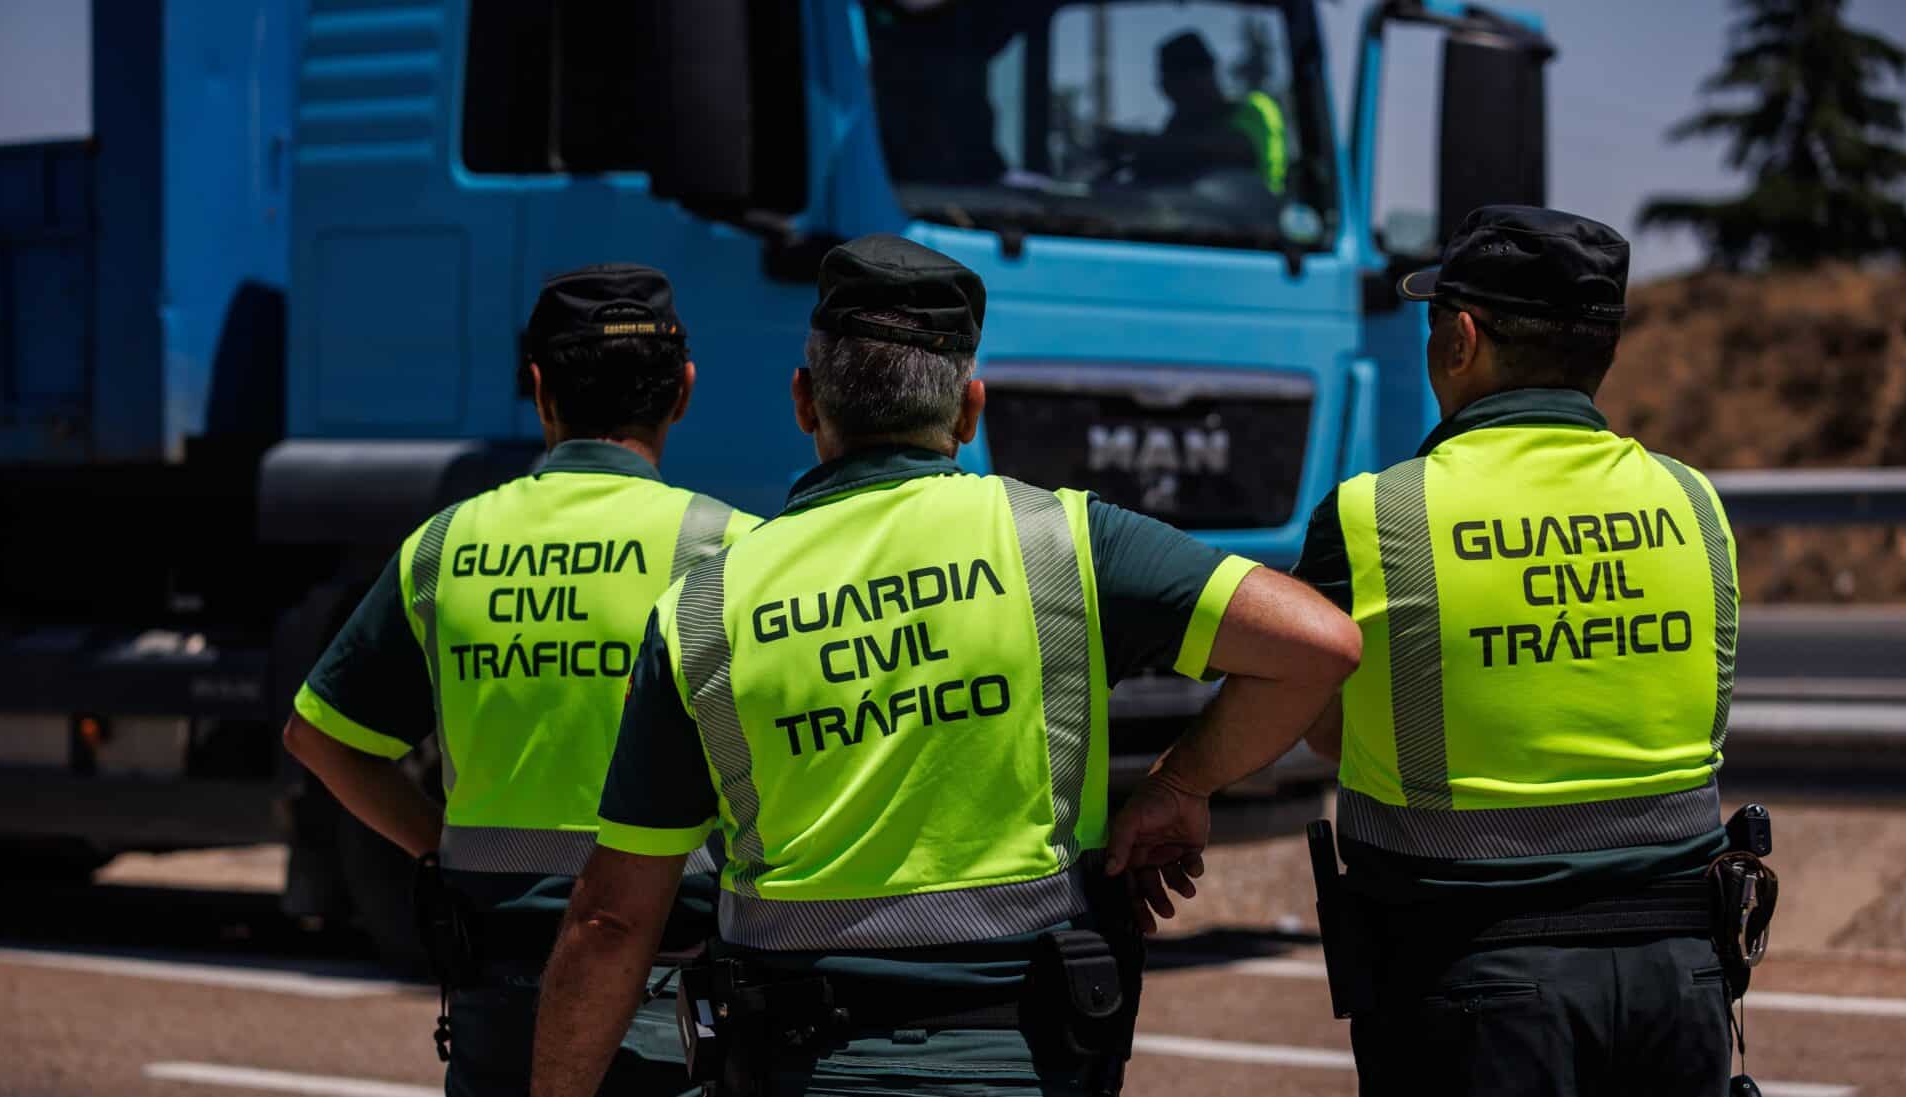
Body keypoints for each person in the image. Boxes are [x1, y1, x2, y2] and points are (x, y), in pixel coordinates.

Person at [530, 234, 1360, 1097]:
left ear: (805, 402)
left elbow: (609, 919)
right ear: (970, 410)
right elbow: (1320, 645)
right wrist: (1183, 782)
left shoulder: (705, 606)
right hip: (1026, 1063)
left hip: (800, 1068)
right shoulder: (1062, 542)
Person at [1292, 205, 1745, 1096]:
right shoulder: (1697, 505)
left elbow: (1317, 727)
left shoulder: (1374, 516)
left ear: (1461, 338)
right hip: (1683, 979)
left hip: (1473, 983)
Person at [281, 265, 757, 1097]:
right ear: (681, 391)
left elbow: (318, 735)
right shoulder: (730, 550)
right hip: (667, 991)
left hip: (494, 992)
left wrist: (438, 841)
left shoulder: (446, 545)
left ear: (537, 389)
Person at [1118, 30, 1286, 194]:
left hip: (1258, 215)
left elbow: (1236, 148)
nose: (1168, 92)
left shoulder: (1256, 109)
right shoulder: (1180, 125)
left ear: (1206, 74)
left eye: (1177, 83)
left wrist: (1142, 143)